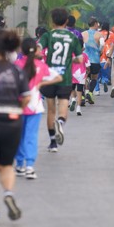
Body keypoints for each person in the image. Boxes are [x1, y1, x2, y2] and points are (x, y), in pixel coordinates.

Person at [0, 30, 31, 224]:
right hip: (12, 121)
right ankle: (8, 192)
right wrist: (17, 109)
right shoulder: (17, 70)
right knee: (7, 165)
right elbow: (26, 97)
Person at [15, 38, 62, 179]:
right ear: (35, 50)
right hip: (35, 107)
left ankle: (19, 165)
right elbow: (59, 77)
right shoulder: (41, 65)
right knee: (31, 136)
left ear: (21, 50)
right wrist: (41, 83)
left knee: (19, 136)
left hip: (18, 106)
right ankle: (30, 166)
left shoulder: (16, 65)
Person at [38, 8, 83, 152]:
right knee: (63, 105)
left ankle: (53, 143)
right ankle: (60, 122)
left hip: (50, 78)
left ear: (52, 21)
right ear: (66, 21)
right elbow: (80, 59)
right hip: (65, 78)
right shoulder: (72, 37)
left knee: (51, 110)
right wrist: (71, 59)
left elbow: (38, 49)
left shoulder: (48, 35)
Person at [82, 17, 102, 104]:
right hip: (95, 59)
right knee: (94, 77)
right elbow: (102, 45)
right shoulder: (99, 34)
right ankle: (90, 93)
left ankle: (82, 95)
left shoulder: (83, 34)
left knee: (84, 77)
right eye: (97, 24)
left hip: (85, 60)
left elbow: (81, 46)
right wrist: (100, 51)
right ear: (95, 24)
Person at [70, 40, 90, 116]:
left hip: (72, 74)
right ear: (82, 48)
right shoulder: (85, 55)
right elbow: (88, 66)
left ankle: (73, 99)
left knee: (72, 88)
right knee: (79, 91)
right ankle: (78, 108)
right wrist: (87, 72)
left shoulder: (71, 55)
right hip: (82, 75)